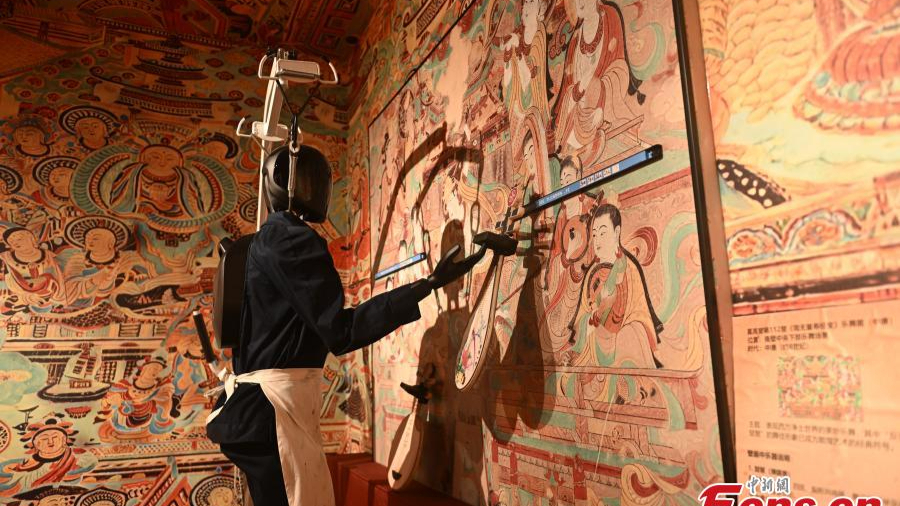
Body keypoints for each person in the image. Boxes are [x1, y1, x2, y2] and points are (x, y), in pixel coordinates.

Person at [205, 143, 482, 506]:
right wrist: (426, 285)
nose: (315, 190)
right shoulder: (289, 238)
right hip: (273, 413)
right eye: (307, 180)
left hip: (256, 410)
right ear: (284, 181)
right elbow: (341, 331)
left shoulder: (258, 244)